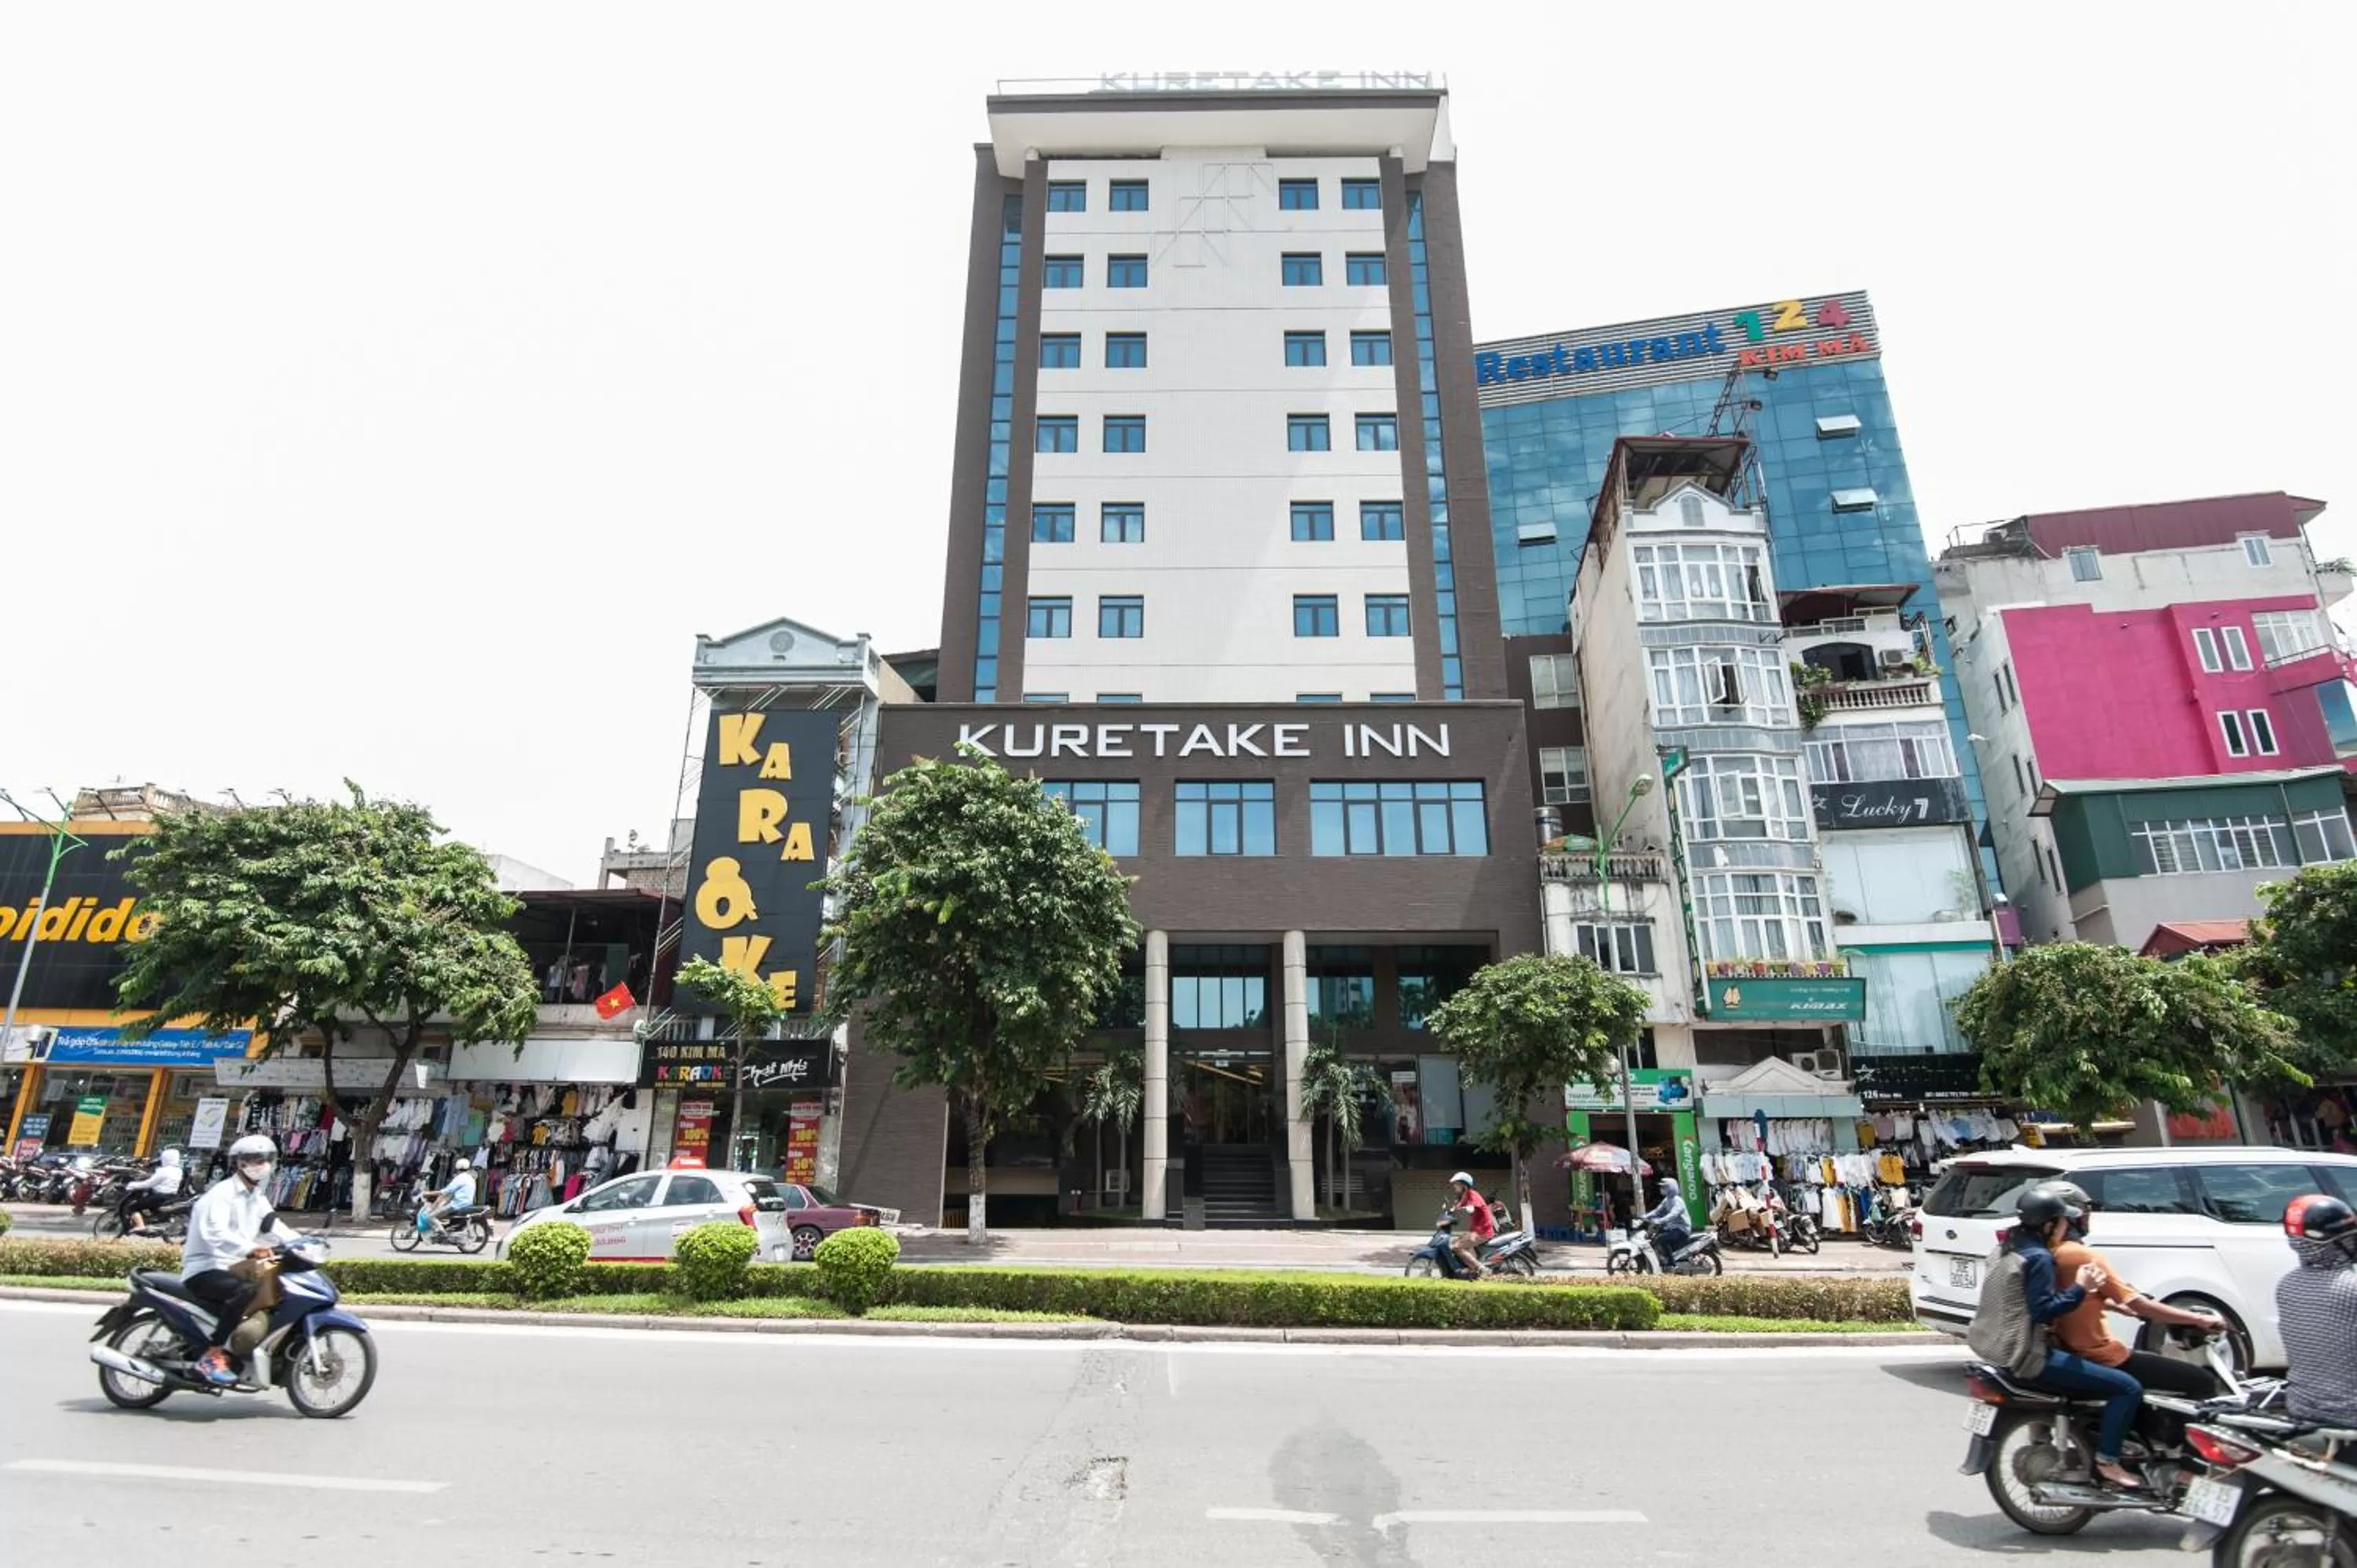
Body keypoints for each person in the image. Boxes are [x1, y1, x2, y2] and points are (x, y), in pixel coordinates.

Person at [2012, 1181, 2144, 1489]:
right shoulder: (2044, 1259)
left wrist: (2102, 1300)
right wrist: (2081, 1287)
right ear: (2048, 1225)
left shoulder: (2014, 1250)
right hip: (2034, 1354)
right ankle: (2108, 1462)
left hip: (2015, 1348)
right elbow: (2044, 1310)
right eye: (2061, 1220)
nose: (2066, 1225)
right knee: (2127, 1388)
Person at [179, 1134, 302, 1387]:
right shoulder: (222, 1194)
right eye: (255, 1160)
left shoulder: (256, 1196)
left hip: (232, 1266)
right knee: (246, 1291)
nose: (262, 1165)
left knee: (279, 1290)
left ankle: (243, 1351)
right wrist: (251, 1248)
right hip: (206, 1267)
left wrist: (302, 1243)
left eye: (266, 1159)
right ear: (239, 1163)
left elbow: (273, 1224)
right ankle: (212, 1355)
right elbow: (216, 1233)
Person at [2276, 1192, 2357, 1430]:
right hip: (2350, 1413)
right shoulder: (2350, 1287)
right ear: (2339, 1240)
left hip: (2302, 1407)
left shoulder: (2288, 1284)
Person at [116, 1148, 185, 1234]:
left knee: (133, 1207)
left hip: (159, 1196)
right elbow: (161, 1181)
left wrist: (132, 1185)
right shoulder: (179, 1171)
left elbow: (148, 1184)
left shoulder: (164, 1171)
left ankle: (140, 1226)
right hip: (171, 1196)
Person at [1447, 1171, 1495, 1279]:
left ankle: (1482, 1269)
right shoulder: (1465, 1195)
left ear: (1464, 1185)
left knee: (1457, 1247)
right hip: (1475, 1230)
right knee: (1454, 1242)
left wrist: (1469, 1208)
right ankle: (1471, 1269)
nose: (1454, 1186)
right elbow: (1459, 1206)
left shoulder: (1473, 1195)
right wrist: (1451, 1211)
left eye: (1457, 1184)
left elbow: (1474, 1205)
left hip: (1483, 1231)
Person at [423, 1156, 478, 1235]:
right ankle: (443, 1228)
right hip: (467, 1203)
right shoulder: (470, 1178)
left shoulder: (459, 1178)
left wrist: (428, 1193)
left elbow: (445, 1191)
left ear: (457, 1167)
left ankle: (444, 1235)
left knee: (430, 1217)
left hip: (457, 1204)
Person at [1642, 1178, 1693, 1263]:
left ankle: (1672, 1263)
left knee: (1662, 1239)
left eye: (1663, 1187)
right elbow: (1657, 1211)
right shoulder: (1667, 1200)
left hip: (1681, 1229)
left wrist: (1660, 1221)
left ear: (1670, 1188)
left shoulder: (1678, 1201)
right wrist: (1645, 1216)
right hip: (1672, 1227)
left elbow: (1672, 1215)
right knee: (1655, 1237)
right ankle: (1663, 1257)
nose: (1661, 1189)